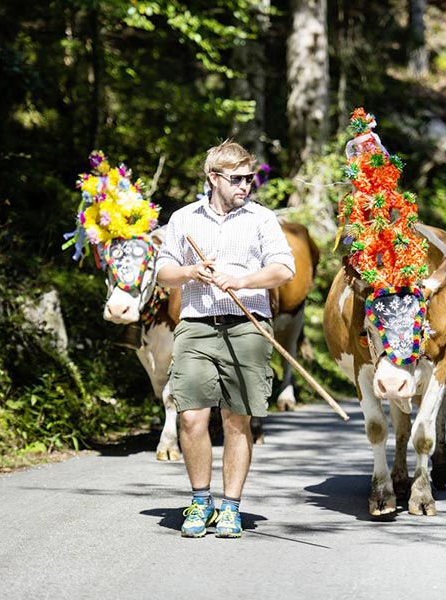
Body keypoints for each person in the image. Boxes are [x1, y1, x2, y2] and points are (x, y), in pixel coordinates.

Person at [153, 140, 295, 538]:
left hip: (248, 327)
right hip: (197, 324)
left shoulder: (262, 219)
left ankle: (230, 507)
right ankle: (200, 502)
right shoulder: (183, 219)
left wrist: (242, 280)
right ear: (213, 178)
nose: (245, 186)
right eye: (236, 179)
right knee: (191, 416)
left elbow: (285, 268)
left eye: (249, 178)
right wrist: (190, 272)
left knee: (237, 419)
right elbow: (162, 271)